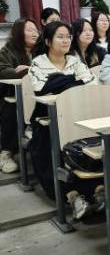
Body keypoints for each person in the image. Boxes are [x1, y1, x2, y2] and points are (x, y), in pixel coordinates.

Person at [28, 21, 99, 217]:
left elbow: (92, 83)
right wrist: (73, 81)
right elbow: (40, 89)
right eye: (60, 37)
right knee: (45, 148)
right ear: (48, 41)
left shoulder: (75, 61)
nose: (66, 40)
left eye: (68, 36)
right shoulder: (38, 63)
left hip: (77, 114)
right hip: (46, 118)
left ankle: (95, 192)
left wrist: (57, 82)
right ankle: (70, 196)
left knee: (88, 147)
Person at [0, 18, 39, 173]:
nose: (34, 33)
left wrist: (28, 69)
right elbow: (3, 71)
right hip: (12, 94)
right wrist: (21, 72)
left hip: (39, 93)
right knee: (11, 107)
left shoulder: (42, 49)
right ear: (18, 33)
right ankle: (6, 153)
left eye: (35, 30)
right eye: (29, 30)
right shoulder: (7, 50)